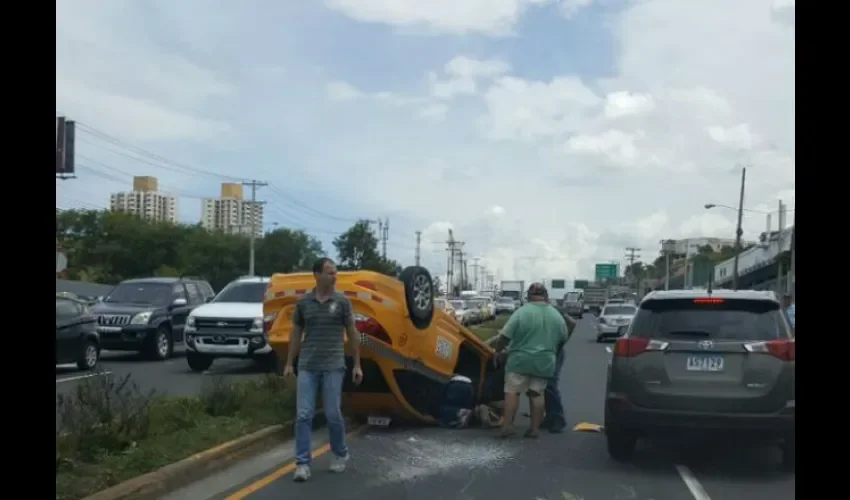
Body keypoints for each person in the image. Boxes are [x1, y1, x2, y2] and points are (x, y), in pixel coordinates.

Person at [283, 257, 364, 482]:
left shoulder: (342, 302)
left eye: (335, 272)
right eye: (330, 272)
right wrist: (290, 362)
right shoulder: (304, 303)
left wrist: (357, 364)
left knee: (332, 413)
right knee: (303, 415)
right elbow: (296, 334)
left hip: (333, 366)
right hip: (308, 365)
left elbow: (353, 333)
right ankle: (302, 463)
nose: (334, 276)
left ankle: (340, 453)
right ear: (317, 275)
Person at [491, 283, 568, 438]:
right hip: (544, 361)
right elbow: (563, 338)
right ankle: (534, 429)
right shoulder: (555, 315)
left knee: (512, 392)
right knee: (537, 394)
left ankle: (507, 426)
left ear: (528, 296)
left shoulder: (522, 312)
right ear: (545, 296)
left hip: (519, 360)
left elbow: (504, 337)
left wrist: (497, 351)